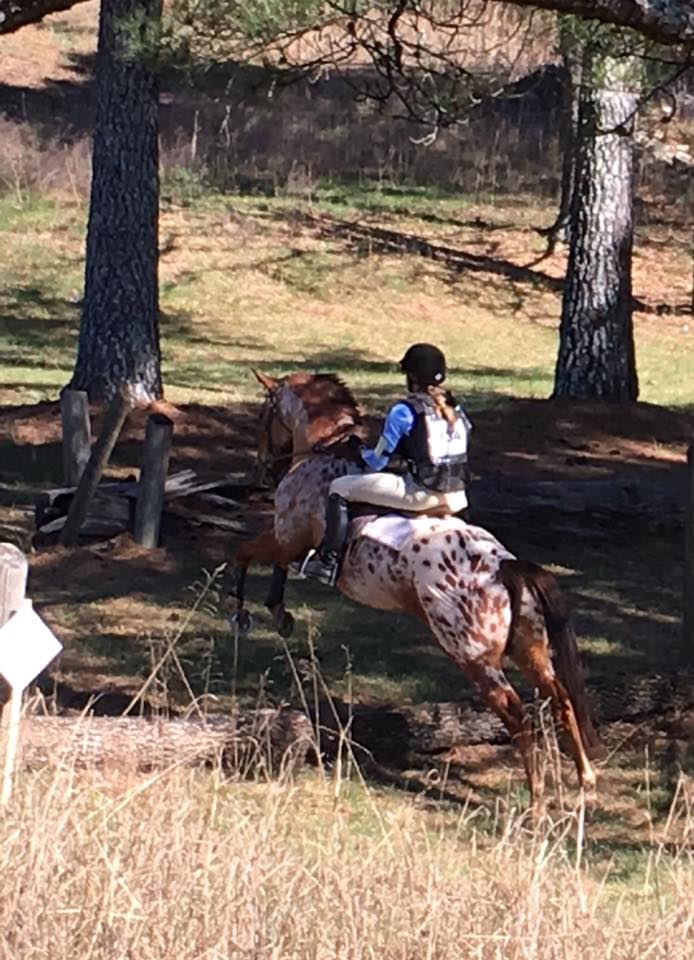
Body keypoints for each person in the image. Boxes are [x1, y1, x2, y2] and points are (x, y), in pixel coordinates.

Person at [299, 343, 472, 586]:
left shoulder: (404, 411)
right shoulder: (457, 409)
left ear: (411, 377)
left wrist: (358, 450)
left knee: (339, 487)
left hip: (423, 493)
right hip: (457, 497)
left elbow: (378, 461)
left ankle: (328, 563)